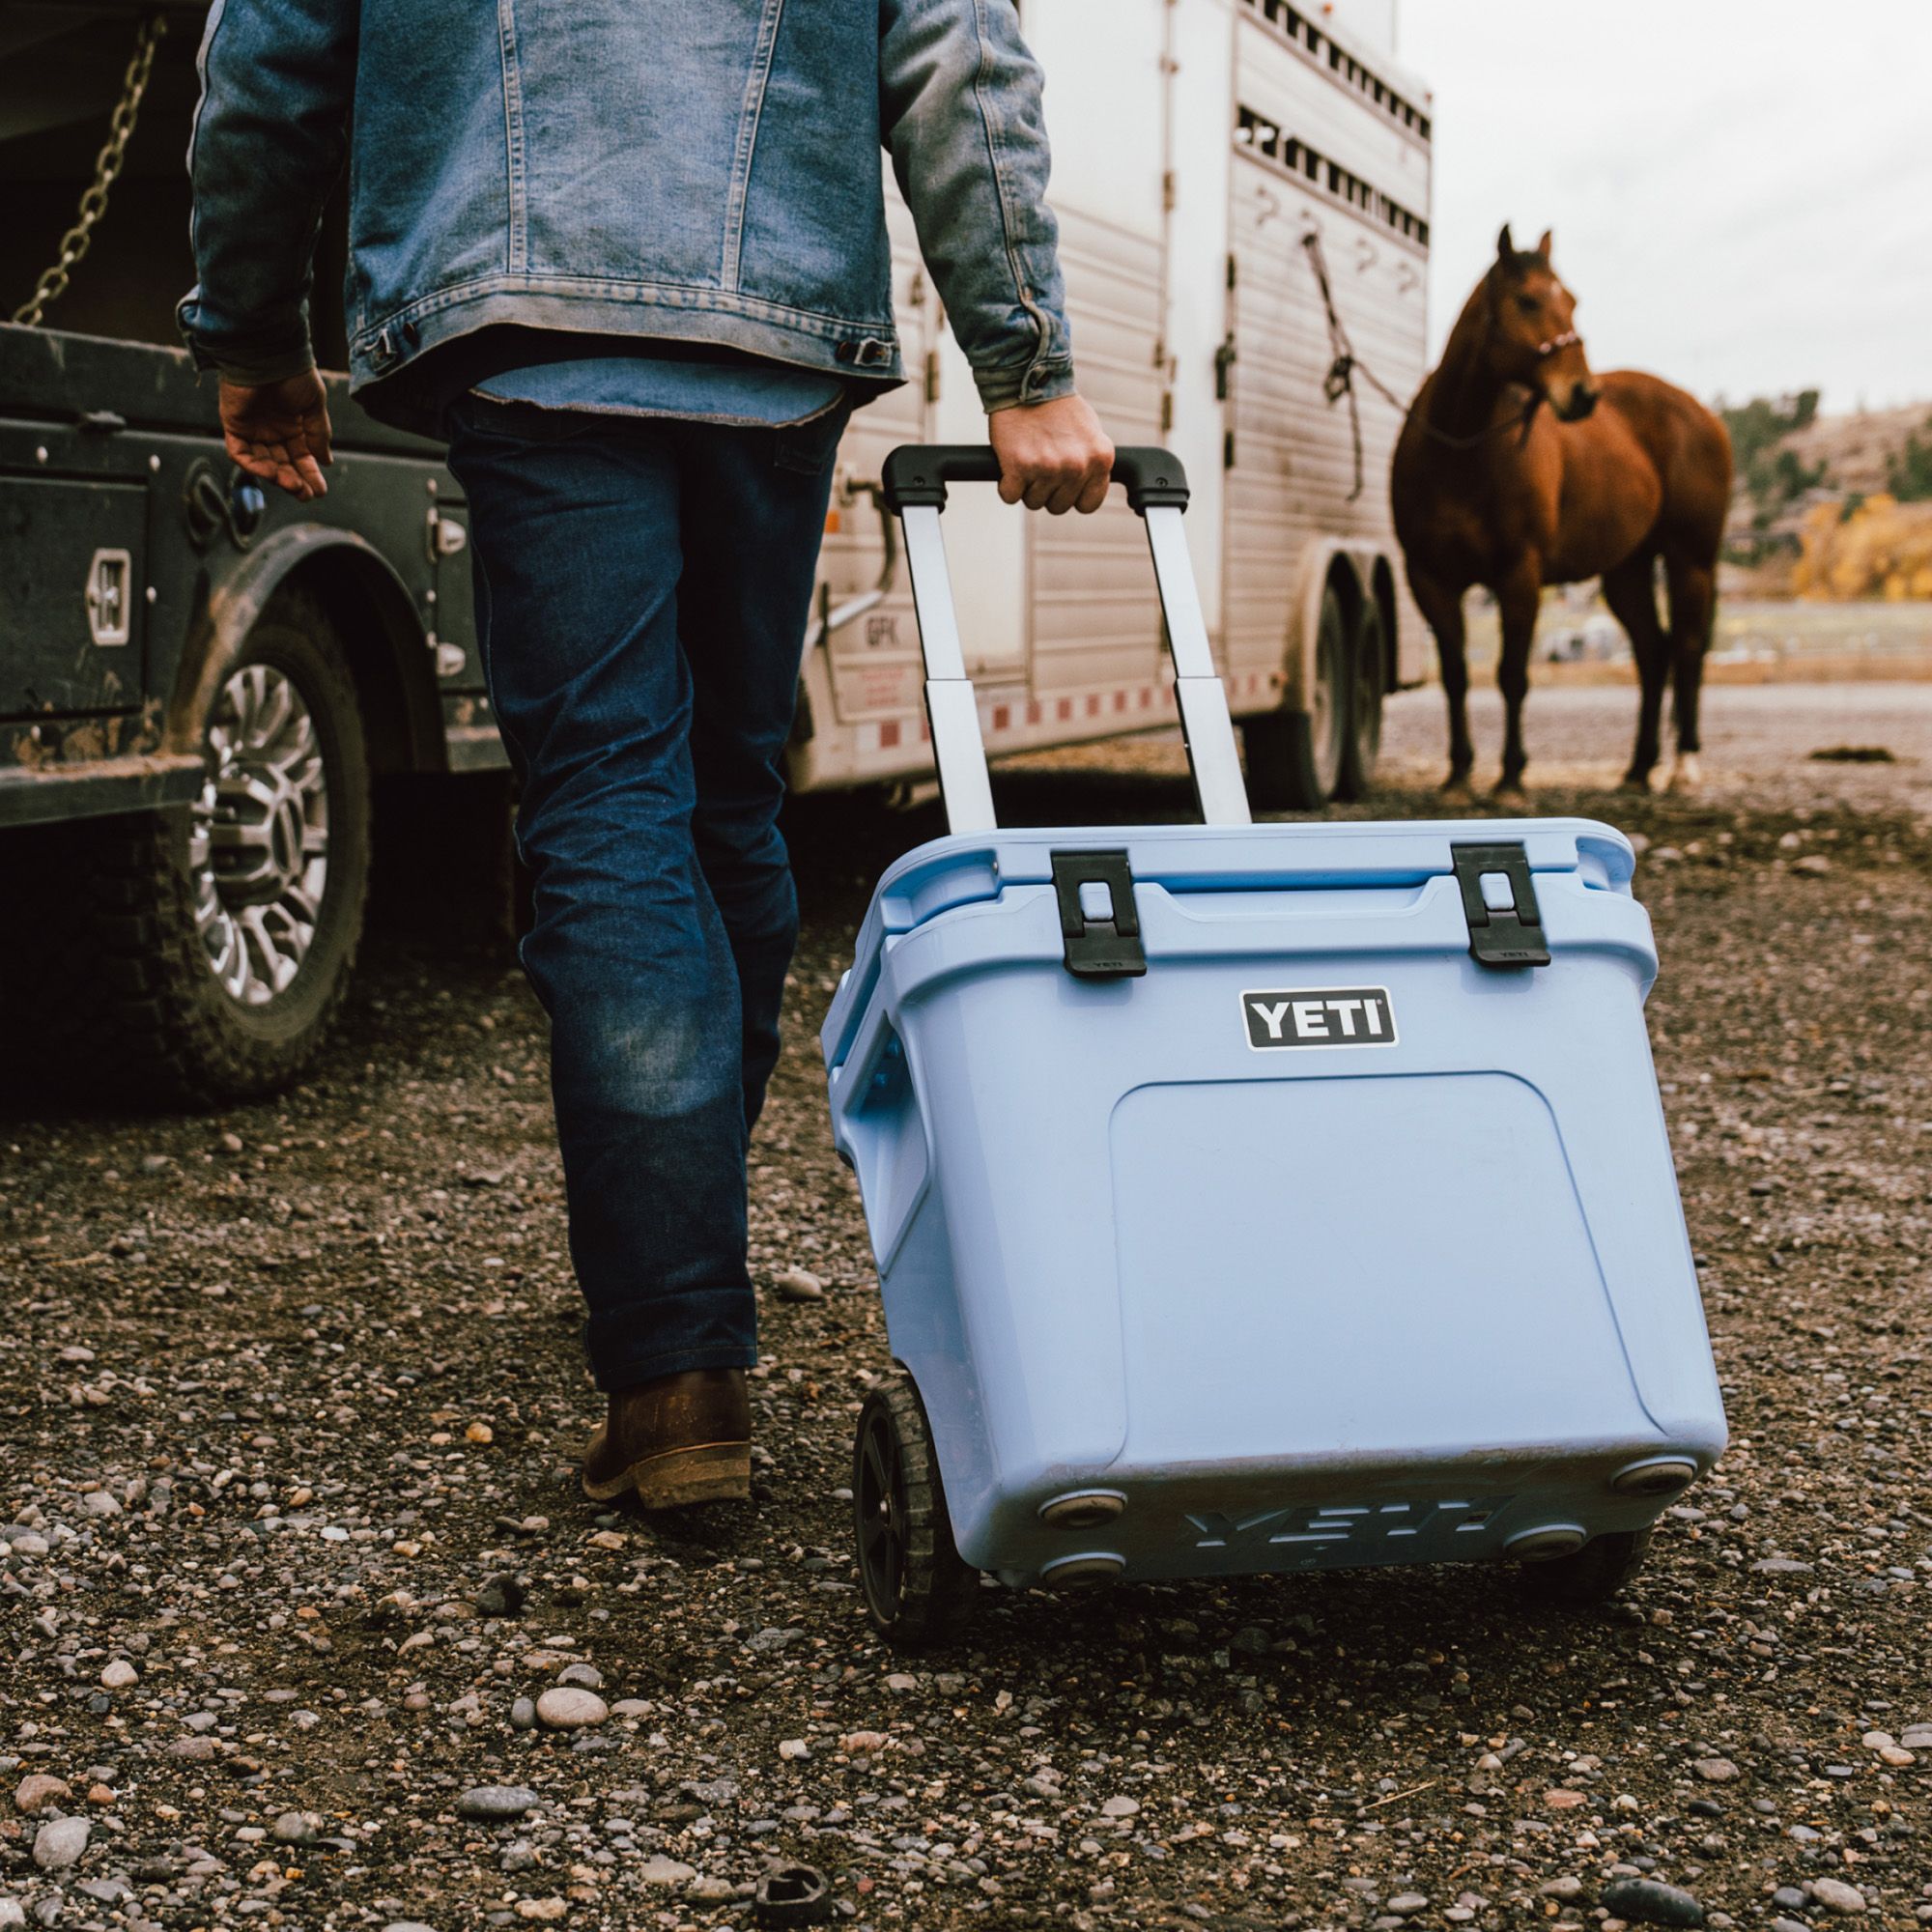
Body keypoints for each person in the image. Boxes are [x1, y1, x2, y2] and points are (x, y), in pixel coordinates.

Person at [180, 0, 1114, 1509]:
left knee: (613, 804)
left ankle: (674, 1355)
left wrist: (251, 331)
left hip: (526, 336)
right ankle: (675, 1270)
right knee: (728, 800)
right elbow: (959, 49)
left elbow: (269, 59)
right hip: (775, 329)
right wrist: (1024, 361)